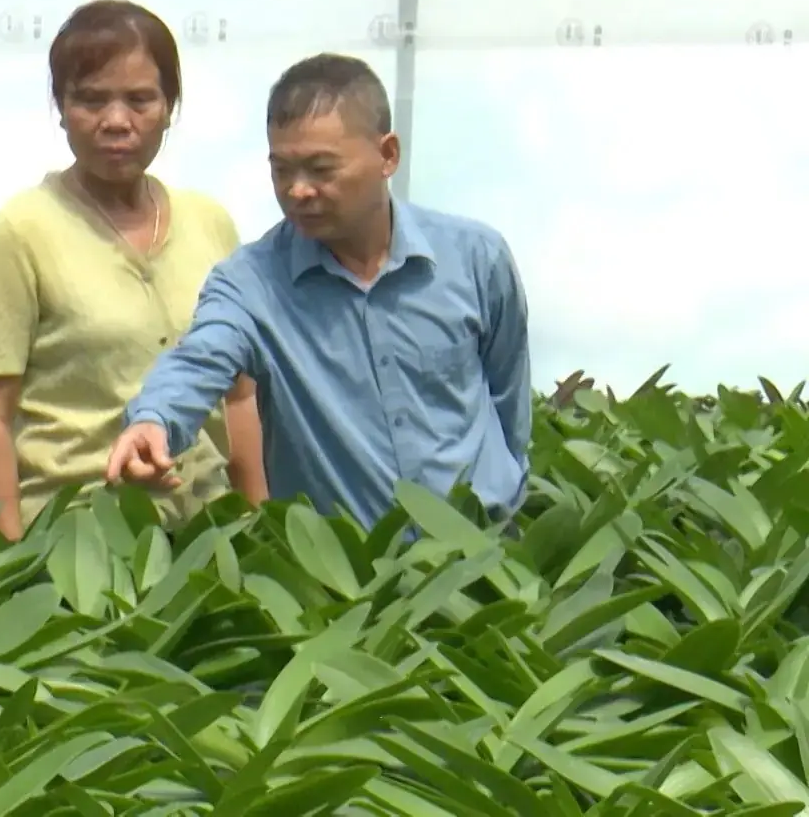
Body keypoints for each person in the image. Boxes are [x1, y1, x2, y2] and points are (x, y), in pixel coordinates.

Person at [107, 53, 532, 529]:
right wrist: (154, 421)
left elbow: (508, 402)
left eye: (321, 169)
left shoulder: (476, 258)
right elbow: (198, 360)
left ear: (388, 155)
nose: (298, 191)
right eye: (282, 170)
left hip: (485, 562)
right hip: (344, 581)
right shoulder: (250, 285)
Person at [0, 0, 264, 542]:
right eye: (90, 100)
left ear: (171, 106)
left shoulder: (209, 223)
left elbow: (239, 397)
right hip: (75, 539)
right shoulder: (20, 232)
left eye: (140, 100)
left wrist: (260, 524)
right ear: (60, 106)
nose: (116, 121)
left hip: (208, 536)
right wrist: (4, 566)